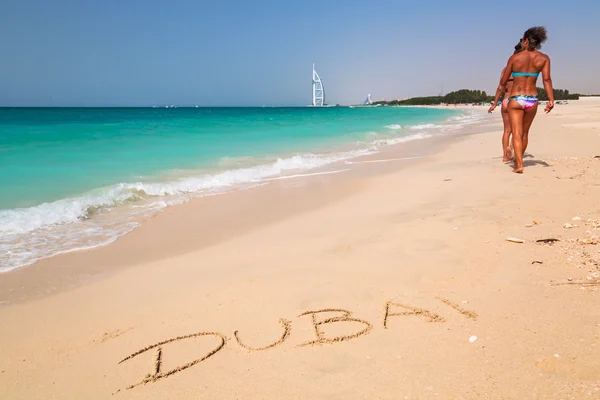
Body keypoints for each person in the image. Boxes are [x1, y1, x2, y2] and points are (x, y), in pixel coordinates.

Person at [488, 26, 554, 173]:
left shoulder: (514, 58)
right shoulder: (544, 58)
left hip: (516, 98)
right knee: (525, 133)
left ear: (525, 41)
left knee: (516, 133)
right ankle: (520, 159)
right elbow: (547, 80)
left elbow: (503, 83)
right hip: (532, 99)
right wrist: (551, 99)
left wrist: (495, 101)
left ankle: (518, 164)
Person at [496, 42, 523, 162]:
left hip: (505, 100)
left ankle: (504, 156)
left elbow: (500, 87)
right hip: (516, 99)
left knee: (507, 130)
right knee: (517, 129)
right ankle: (511, 148)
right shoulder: (521, 69)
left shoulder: (505, 70)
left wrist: (494, 103)